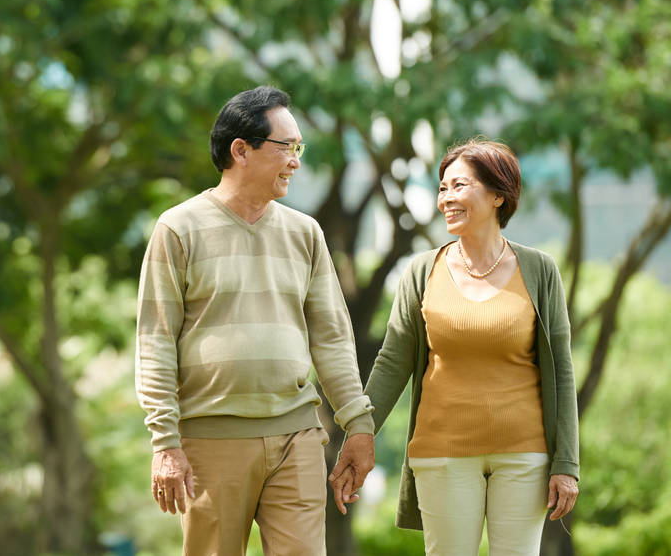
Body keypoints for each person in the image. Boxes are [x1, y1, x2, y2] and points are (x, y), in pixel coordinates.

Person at [135, 86, 376, 555]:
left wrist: (358, 423)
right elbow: (155, 341)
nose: (296, 161)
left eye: (298, 148)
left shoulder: (305, 233)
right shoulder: (177, 229)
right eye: (286, 147)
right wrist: (165, 442)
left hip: (297, 436)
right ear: (240, 150)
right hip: (211, 439)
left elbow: (332, 340)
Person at [330, 138, 579, 555]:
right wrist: (361, 429)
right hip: (442, 454)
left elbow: (562, 369)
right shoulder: (421, 271)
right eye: (442, 188)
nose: (446, 198)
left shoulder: (539, 270)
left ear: (499, 194)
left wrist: (566, 464)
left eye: (459, 186)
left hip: (524, 455)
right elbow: (393, 361)